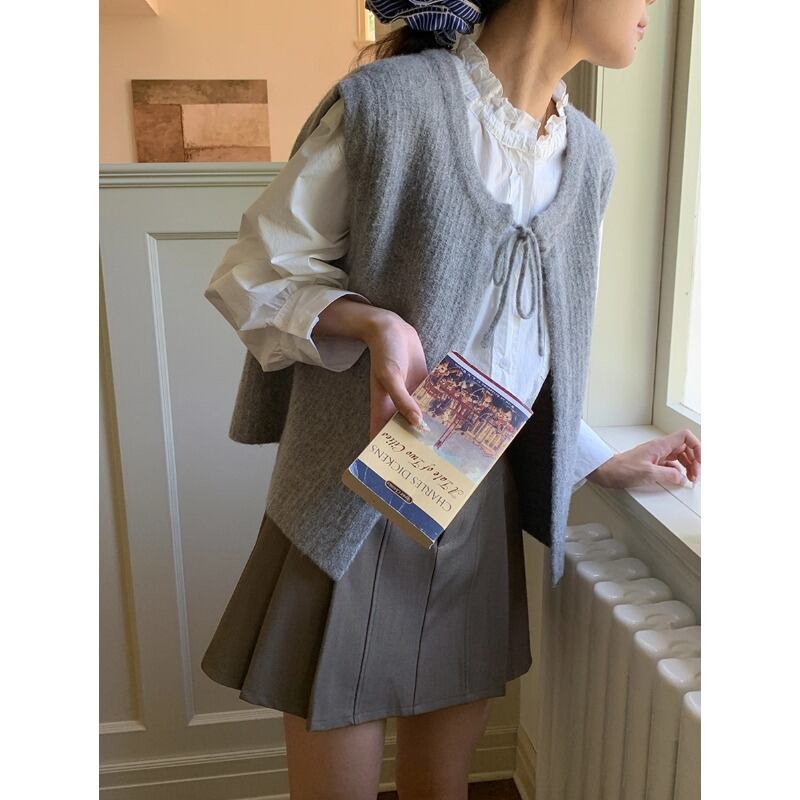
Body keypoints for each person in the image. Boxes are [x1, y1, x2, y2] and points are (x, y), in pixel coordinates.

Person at [200, 1, 699, 798]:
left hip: (473, 500)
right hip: (352, 502)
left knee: (443, 789)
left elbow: (526, 354)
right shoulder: (388, 106)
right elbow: (254, 274)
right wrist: (373, 323)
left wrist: (598, 460)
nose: (650, 10)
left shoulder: (590, 159)